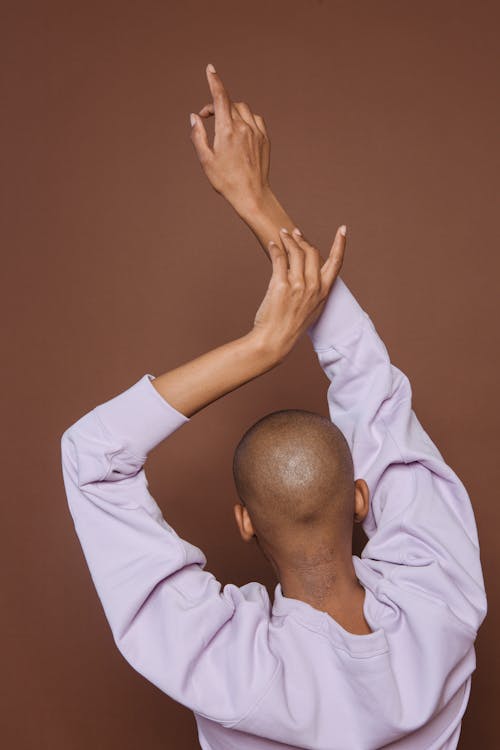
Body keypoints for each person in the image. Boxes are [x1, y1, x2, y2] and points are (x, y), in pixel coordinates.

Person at [60, 63, 487, 750]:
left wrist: (262, 347)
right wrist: (259, 203)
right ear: (360, 498)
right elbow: (370, 380)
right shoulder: (443, 598)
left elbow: (91, 457)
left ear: (244, 524)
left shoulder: (225, 663)